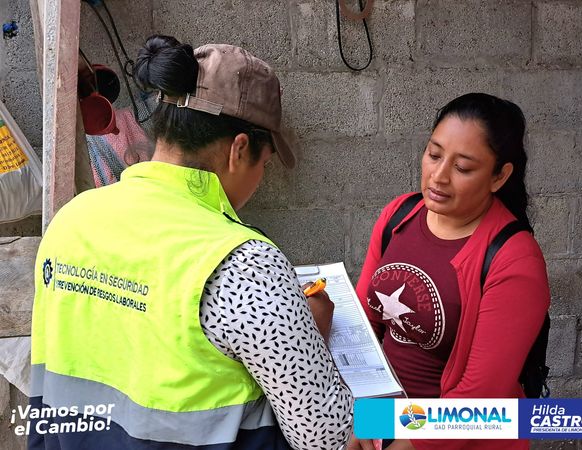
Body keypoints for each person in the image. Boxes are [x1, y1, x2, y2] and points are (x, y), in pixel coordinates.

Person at [29, 35, 353, 450]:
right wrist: (309, 334)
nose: (260, 177)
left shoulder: (70, 221)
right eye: (265, 164)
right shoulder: (245, 263)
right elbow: (327, 435)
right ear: (239, 150)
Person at [354, 93, 550, 450]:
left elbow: (479, 395)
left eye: (462, 168)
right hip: (384, 423)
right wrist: (363, 417)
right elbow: (364, 323)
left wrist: (404, 444)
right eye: (434, 155)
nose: (439, 176)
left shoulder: (515, 260)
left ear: (499, 176)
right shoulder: (399, 215)